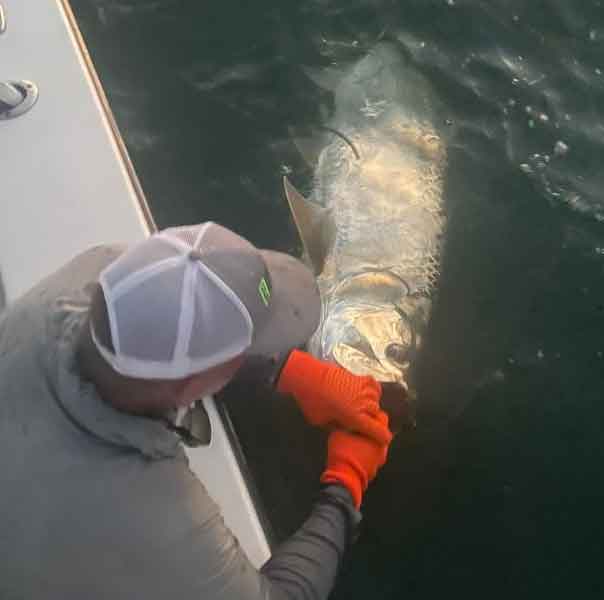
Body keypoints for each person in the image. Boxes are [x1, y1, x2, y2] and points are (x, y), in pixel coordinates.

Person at [0, 222, 396, 600]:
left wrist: (289, 370)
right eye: (248, 347)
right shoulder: (157, 517)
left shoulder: (96, 268)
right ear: (190, 386)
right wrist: (346, 485)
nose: (258, 350)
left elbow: (158, 331)